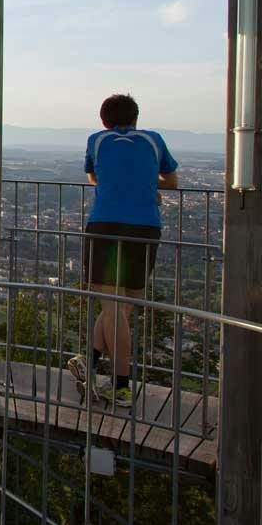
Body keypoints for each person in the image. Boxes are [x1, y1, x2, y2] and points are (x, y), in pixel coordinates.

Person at [67, 94, 178, 408]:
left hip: (105, 226)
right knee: (125, 304)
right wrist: (146, 186)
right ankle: (102, 371)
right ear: (136, 118)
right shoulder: (154, 140)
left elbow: (93, 177)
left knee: (114, 307)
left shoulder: (97, 140)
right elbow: (171, 181)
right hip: (145, 227)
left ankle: (117, 382)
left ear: (104, 121)